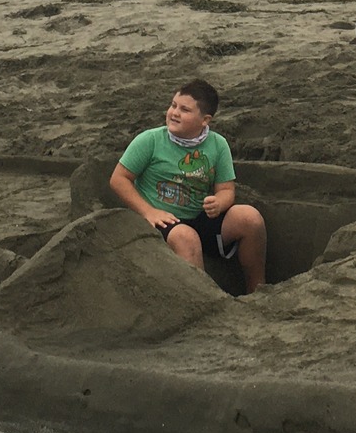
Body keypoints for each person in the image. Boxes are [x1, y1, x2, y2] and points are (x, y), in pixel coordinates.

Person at [110, 80, 267, 292]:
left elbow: (226, 190)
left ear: (205, 120)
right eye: (173, 105)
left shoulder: (218, 144)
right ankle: (205, 300)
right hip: (162, 220)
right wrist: (148, 212)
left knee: (250, 218)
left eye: (184, 110)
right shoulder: (150, 140)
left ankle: (258, 291)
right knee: (186, 237)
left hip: (199, 216)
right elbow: (119, 179)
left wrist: (219, 203)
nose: (174, 113)